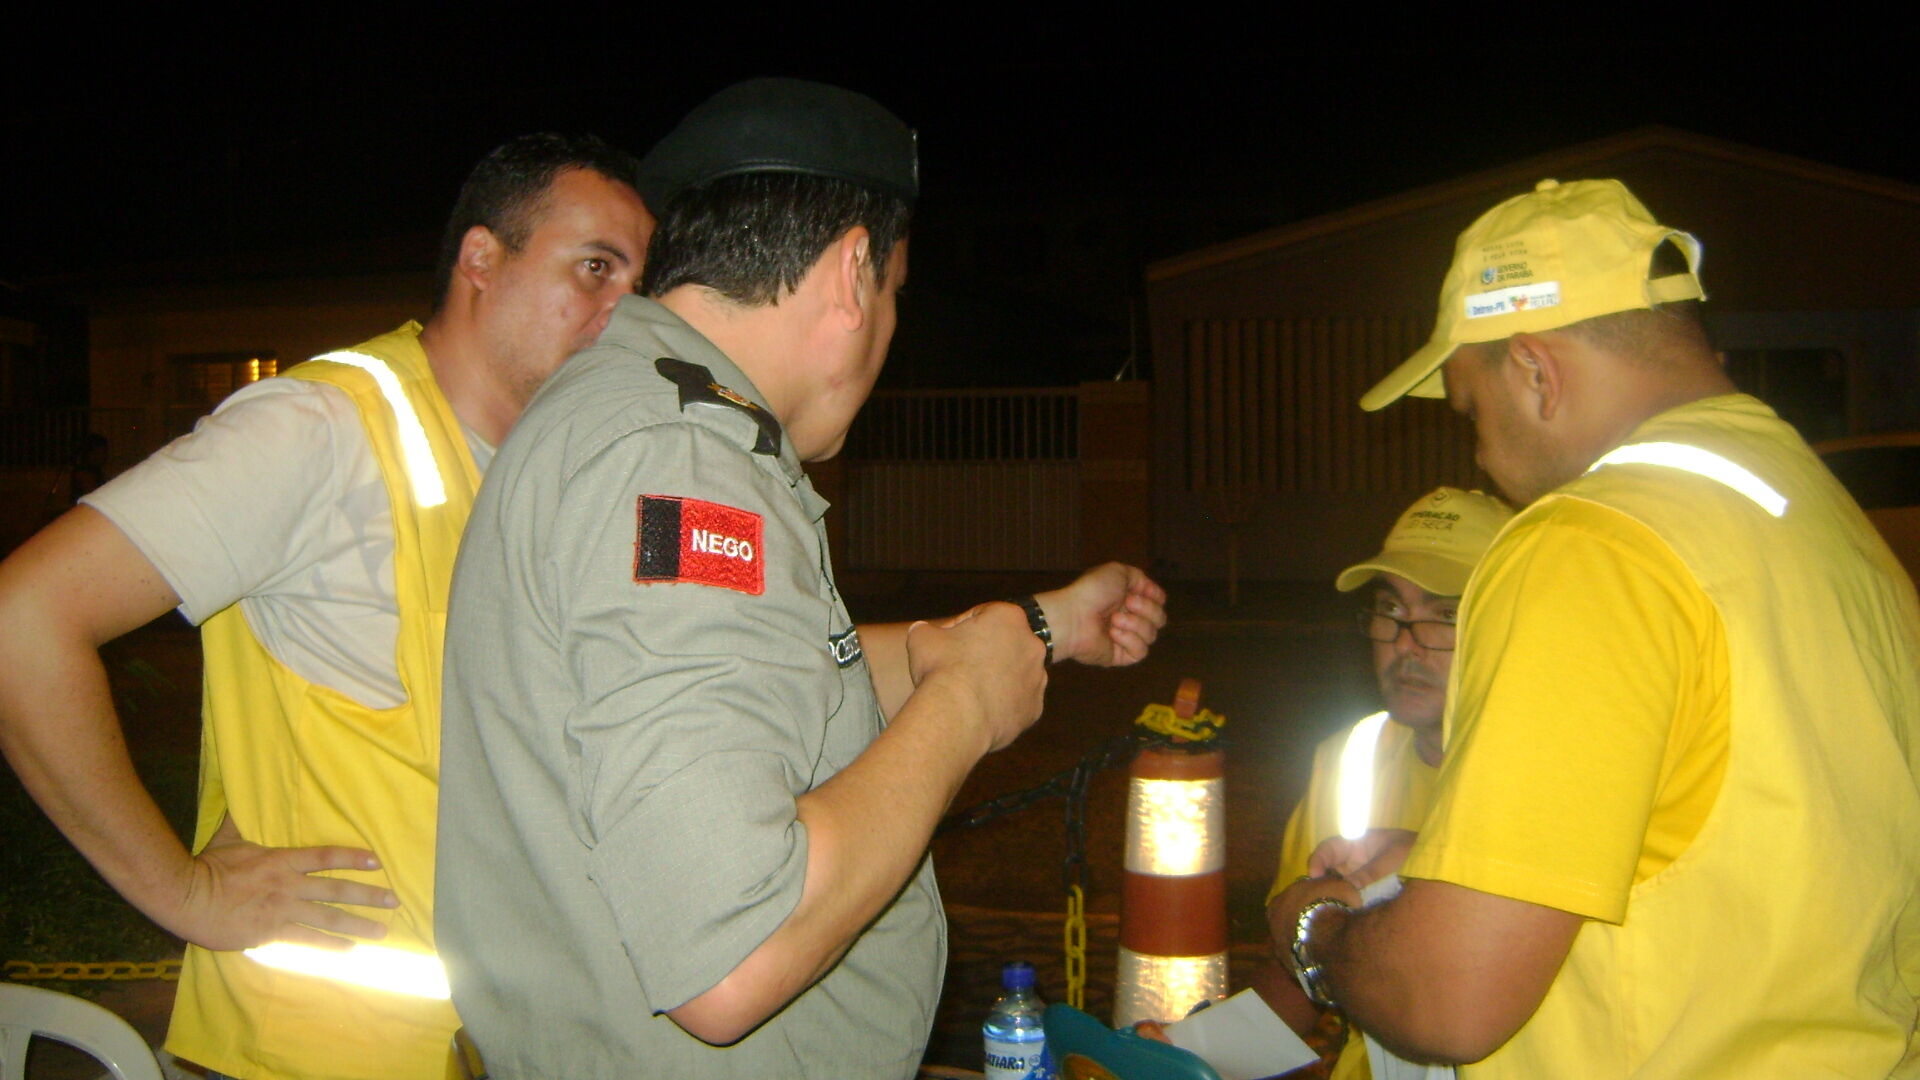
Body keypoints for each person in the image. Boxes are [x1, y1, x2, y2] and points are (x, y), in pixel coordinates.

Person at [434, 78, 1167, 1080]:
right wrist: (962, 705)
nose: (889, 322)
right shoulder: (681, 466)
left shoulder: (637, 413)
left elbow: (735, 688)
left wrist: (1011, 633)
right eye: (896, 290)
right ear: (852, 270)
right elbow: (731, 955)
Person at [0, 133, 653, 1079]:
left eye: (634, 283)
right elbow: (24, 620)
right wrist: (184, 893)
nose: (617, 311)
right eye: (595, 267)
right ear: (481, 258)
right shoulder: (323, 428)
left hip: (503, 1045)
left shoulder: (535, 478)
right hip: (315, 1054)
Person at [1269, 178, 1920, 1078]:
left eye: (1470, 410)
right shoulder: (1819, 519)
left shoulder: (1591, 543)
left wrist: (1315, 928)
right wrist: (1464, 871)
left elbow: (1448, 1000)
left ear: (1537, 369)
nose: (1480, 453)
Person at [1259, 486, 1510, 1080]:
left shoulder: (1553, 770)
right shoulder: (1351, 757)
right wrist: (1196, 1054)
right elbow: (1296, 972)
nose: (1404, 643)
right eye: (1391, 610)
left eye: (1444, 615)